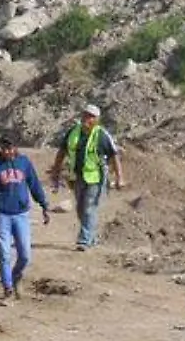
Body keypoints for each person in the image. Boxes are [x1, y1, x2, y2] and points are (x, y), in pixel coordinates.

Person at [0, 135, 52, 304]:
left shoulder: (24, 163)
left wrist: (44, 205)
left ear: (16, 148)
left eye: (10, 149)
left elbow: (34, 185)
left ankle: (15, 275)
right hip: (1, 214)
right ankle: (8, 288)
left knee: (25, 255)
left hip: (21, 215)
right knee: (4, 254)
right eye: (4, 149)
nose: (8, 152)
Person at [48, 104, 126, 251]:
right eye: (85, 115)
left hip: (96, 178)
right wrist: (55, 172)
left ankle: (83, 240)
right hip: (77, 177)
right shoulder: (73, 132)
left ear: (97, 119)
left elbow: (114, 156)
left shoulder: (101, 135)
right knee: (80, 209)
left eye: (91, 117)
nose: (87, 119)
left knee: (89, 208)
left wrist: (119, 177)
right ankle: (92, 237)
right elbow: (62, 152)